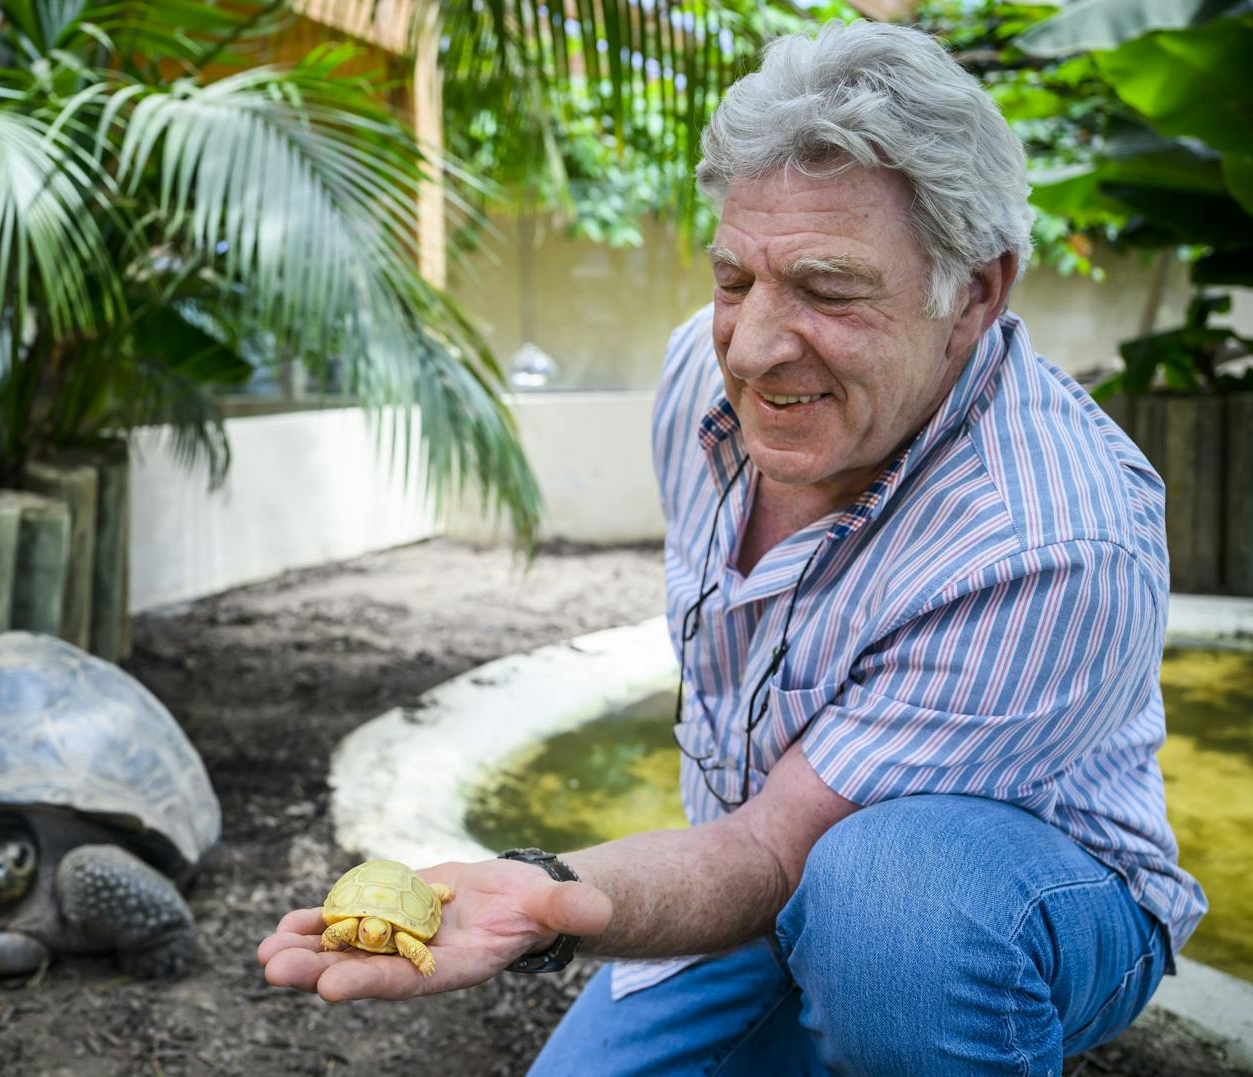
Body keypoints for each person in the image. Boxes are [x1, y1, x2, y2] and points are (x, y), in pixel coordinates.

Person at [257, 19, 1207, 1075]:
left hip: (1010, 891)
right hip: (762, 849)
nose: (752, 348)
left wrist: (584, 895)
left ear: (973, 293)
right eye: (732, 279)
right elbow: (750, 841)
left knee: (890, 907)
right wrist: (540, 891)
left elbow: (769, 851)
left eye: (826, 289)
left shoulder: (1050, 543)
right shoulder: (700, 380)